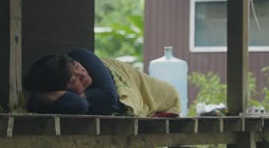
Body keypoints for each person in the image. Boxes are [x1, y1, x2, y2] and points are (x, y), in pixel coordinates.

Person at [23, 48, 180, 116]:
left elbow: (108, 98)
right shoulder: (65, 97)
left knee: (169, 93)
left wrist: (41, 97)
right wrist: (43, 97)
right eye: (73, 80)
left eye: (77, 67)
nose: (82, 74)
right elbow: (80, 105)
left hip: (160, 93)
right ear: (60, 90)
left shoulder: (82, 55)